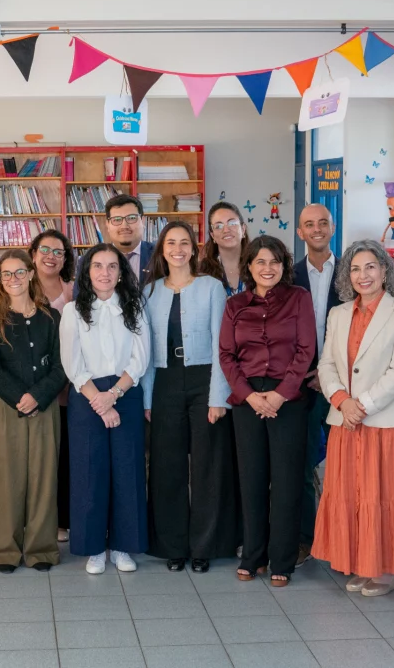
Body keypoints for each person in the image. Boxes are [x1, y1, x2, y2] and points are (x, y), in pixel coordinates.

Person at [313, 240, 394, 597]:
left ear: (385, 270)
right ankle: (362, 563)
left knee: (386, 495)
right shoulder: (338, 314)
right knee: (352, 494)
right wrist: (342, 401)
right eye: (356, 269)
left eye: (371, 267)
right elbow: (326, 364)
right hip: (345, 420)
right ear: (347, 276)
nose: (363, 275)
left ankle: (387, 570)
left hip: (385, 421)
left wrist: (363, 405)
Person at [219, 235, 315, 586]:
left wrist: (280, 394)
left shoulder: (299, 299)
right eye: (260, 262)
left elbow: (306, 350)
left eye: (274, 261)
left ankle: (283, 560)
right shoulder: (235, 305)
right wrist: (249, 396)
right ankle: (254, 554)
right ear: (249, 267)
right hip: (248, 402)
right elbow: (227, 356)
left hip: (287, 399)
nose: (267, 268)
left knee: (287, 482)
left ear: (283, 265)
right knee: (252, 479)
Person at [142, 221, 236, 573]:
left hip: (204, 379)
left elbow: (220, 345)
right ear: (162, 250)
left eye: (184, 243)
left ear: (194, 249)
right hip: (165, 382)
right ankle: (172, 545)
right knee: (167, 467)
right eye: (171, 243)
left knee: (208, 466)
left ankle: (205, 546)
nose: (178, 249)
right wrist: (148, 400)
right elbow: (147, 351)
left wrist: (217, 397)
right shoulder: (149, 292)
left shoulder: (211, 288)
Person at [61, 244, 151, 574]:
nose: (104, 273)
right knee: (89, 472)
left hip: (125, 392)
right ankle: (94, 548)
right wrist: (100, 402)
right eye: (97, 266)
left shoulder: (134, 306)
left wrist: (113, 395)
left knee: (127, 471)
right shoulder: (72, 311)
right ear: (86, 272)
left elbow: (140, 358)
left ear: (121, 272)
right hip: (87, 397)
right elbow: (72, 364)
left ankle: (123, 546)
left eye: (112, 267)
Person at [0, 249, 66, 572]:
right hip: (5, 407)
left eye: (19, 272)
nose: (13, 279)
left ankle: (41, 549)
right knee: (5, 478)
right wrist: (21, 397)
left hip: (45, 408)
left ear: (31, 274)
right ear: (0, 281)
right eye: (6, 274)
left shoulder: (51, 318)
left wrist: (38, 396)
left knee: (44, 478)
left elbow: (61, 367)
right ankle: (4, 549)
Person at [292, 204, 340, 567]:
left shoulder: (354, 274)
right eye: (309, 224)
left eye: (323, 222)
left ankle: (344, 541)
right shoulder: (289, 277)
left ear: (333, 226)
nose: (317, 229)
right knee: (305, 462)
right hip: (304, 385)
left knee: (345, 468)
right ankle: (307, 538)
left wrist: (333, 375)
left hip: (347, 386)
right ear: (300, 232)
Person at [29, 229, 75, 543]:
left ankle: (64, 519)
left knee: (66, 456)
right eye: (44, 250)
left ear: (66, 258)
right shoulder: (20, 288)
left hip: (71, 389)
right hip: (32, 389)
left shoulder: (74, 291)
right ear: (33, 255)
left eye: (58, 251)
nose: (51, 256)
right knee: (37, 457)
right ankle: (35, 518)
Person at [74, 194, 155, 293]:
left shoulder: (159, 256)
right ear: (107, 225)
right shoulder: (89, 260)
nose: (124, 226)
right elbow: (81, 301)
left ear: (143, 221)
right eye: (117, 220)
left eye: (131, 218)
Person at [199, 201, 249, 297]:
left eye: (232, 223)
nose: (226, 230)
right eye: (218, 226)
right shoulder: (202, 272)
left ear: (243, 229)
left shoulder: (259, 265)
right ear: (212, 235)